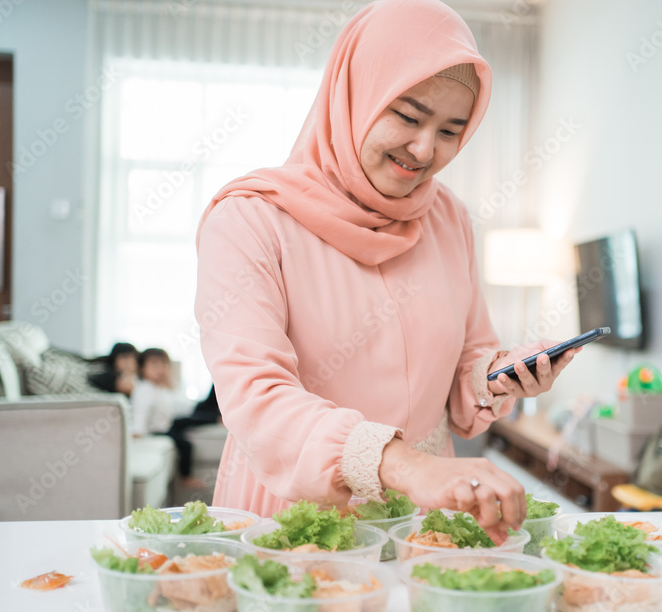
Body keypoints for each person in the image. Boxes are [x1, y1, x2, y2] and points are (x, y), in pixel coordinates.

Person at [194, 0, 577, 542]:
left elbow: (466, 359)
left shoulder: (449, 218)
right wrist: (406, 467)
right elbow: (257, 397)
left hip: (423, 516)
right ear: (355, 94)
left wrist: (496, 375)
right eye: (409, 116)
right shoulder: (250, 219)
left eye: (451, 130)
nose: (425, 150)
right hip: (293, 512)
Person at [129, 348, 206, 489]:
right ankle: (186, 477)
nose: (160, 369)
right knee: (185, 444)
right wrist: (137, 431)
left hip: (166, 423)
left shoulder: (157, 387)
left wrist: (170, 385)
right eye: (154, 365)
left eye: (164, 365)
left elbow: (176, 405)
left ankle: (214, 417)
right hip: (157, 431)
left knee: (190, 419)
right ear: (141, 368)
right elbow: (140, 412)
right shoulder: (144, 390)